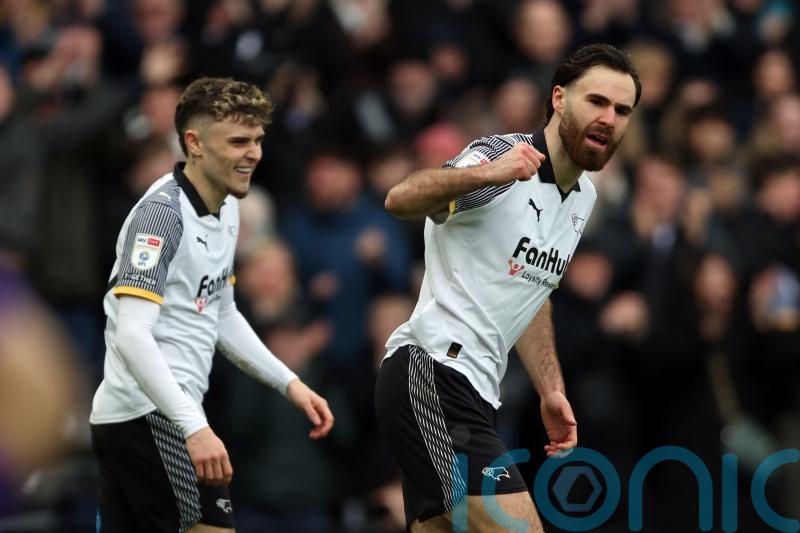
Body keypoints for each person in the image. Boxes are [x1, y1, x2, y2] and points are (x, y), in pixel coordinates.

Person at [374, 43, 641, 532]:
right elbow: (400, 199)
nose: (609, 118)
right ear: (559, 98)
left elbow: (529, 292)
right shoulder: (503, 157)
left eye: (622, 110)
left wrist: (550, 389)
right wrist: (491, 173)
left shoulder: (584, 196)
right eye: (596, 101)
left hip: (477, 394)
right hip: (432, 373)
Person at [89, 77, 334, 533]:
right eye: (238, 141)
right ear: (194, 143)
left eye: (257, 140)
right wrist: (193, 426)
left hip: (147, 415)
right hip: (149, 415)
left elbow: (222, 313)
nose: (254, 153)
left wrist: (288, 383)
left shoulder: (228, 207)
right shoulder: (162, 215)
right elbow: (131, 333)